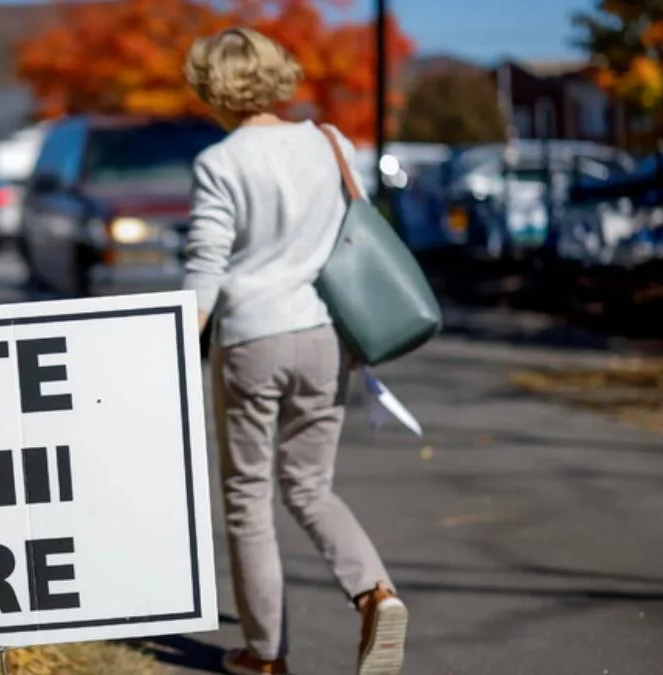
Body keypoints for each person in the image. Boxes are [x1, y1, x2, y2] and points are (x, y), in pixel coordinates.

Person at [182, 27, 409, 675]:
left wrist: (176, 343)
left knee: (248, 497)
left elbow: (206, 266)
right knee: (310, 485)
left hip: (253, 337)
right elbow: (355, 238)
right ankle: (374, 591)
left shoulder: (221, 162)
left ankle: (266, 654)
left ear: (213, 88)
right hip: (325, 335)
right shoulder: (330, 143)